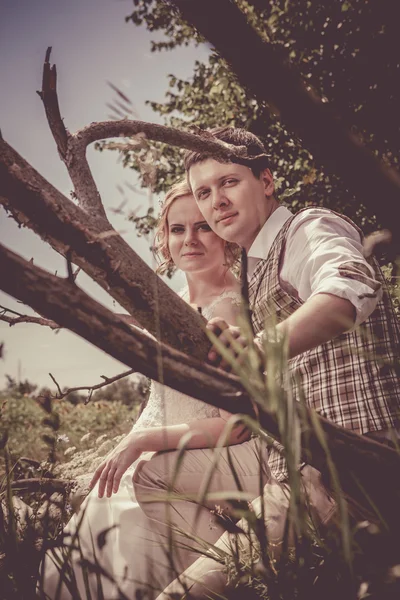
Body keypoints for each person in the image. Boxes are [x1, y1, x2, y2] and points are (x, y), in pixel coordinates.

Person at [137, 126, 400, 598]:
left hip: (353, 469)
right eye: (203, 192)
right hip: (300, 470)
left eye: (229, 182)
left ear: (267, 180)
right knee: (159, 485)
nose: (215, 201)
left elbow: (348, 286)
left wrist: (257, 350)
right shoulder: (252, 277)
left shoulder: (308, 228)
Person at [39, 180, 265, 600]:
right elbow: (162, 402)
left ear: (223, 231)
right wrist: (129, 445)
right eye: (178, 230)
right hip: (161, 452)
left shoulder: (236, 306)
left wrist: (144, 442)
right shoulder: (168, 306)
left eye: (203, 227)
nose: (190, 240)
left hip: (211, 461)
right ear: (164, 239)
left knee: (133, 534)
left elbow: (239, 426)